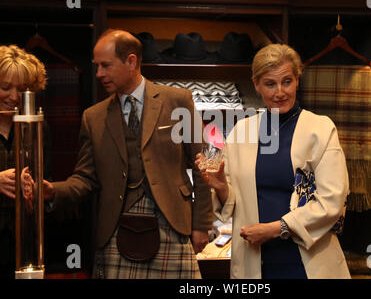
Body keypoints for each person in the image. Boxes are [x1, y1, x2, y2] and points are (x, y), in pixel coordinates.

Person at [44, 29, 212, 279]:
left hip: (172, 225)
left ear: (131, 61)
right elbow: (85, 178)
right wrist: (53, 191)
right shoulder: (94, 117)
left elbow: (202, 166)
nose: (99, 73)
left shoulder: (177, 101)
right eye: (97, 66)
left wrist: (201, 225)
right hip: (116, 228)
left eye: (106, 65)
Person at [196, 44, 350, 279]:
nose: (280, 92)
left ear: (297, 79)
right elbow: (232, 205)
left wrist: (275, 229)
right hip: (254, 261)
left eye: (287, 81)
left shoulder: (320, 129)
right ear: (256, 85)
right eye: (270, 84)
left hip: (309, 264)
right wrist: (219, 186)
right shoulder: (241, 131)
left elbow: (332, 201)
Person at [0, 44, 47, 278]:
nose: (13, 97)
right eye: (5, 87)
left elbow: (43, 181)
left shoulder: (36, 125)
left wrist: (33, 188)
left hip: (22, 245)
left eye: (22, 89)